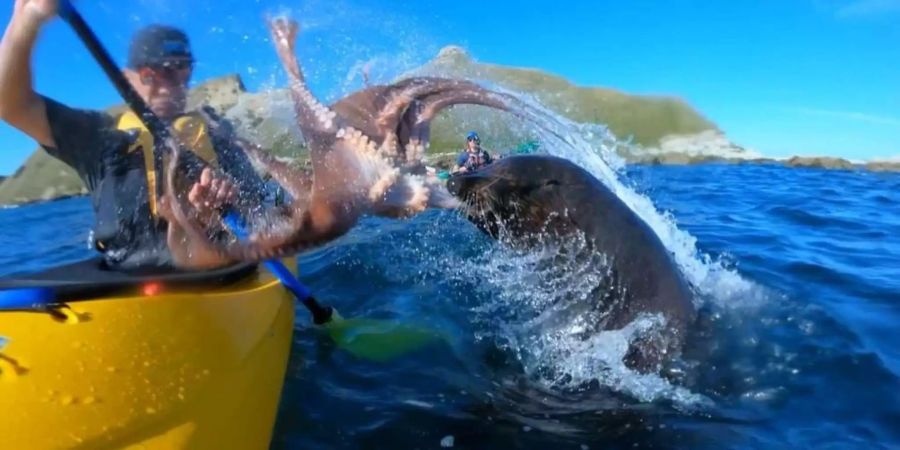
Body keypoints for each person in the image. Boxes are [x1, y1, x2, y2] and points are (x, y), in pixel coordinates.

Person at [0, 0, 264, 272]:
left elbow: (262, 211)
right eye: (151, 73)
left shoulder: (217, 132)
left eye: (179, 68)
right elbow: (12, 105)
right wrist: (27, 21)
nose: (167, 83)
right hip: (125, 278)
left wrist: (224, 207)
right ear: (128, 77)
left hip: (217, 272)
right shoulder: (99, 134)